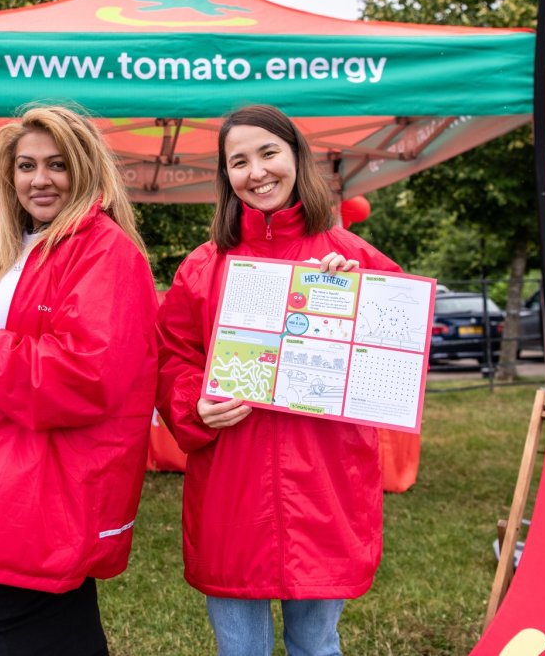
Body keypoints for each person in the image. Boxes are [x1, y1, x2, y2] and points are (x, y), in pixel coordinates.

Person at [155, 104, 403, 656]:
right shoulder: (202, 267)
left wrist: (359, 303)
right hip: (231, 488)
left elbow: (396, 356)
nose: (257, 171)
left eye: (268, 153)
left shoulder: (354, 258)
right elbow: (171, 355)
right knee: (239, 650)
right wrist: (194, 403)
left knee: (316, 645)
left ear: (296, 156)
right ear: (226, 177)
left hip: (322, 484)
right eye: (238, 161)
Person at [0, 105, 158, 656]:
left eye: (56, 164)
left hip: (49, 469)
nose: (39, 179)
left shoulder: (105, 251)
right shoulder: (15, 241)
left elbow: (88, 374)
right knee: (59, 625)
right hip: (8, 453)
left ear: (84, 168)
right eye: (26, 165)